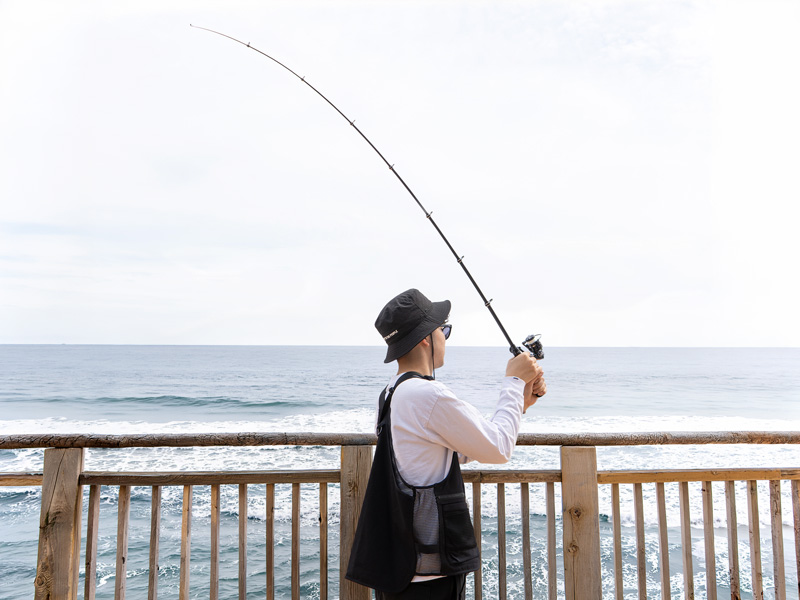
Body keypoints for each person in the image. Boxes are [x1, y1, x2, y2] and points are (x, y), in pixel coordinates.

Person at [346, 288, 546, 600]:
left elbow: (448, 452)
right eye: (444, 330)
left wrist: (519, 404)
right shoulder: (428, 394)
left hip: (400, 569)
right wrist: (514, 381)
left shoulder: (391, 393)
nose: (445, 338)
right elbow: (498, 448)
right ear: (426, 336)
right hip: (429, 576)